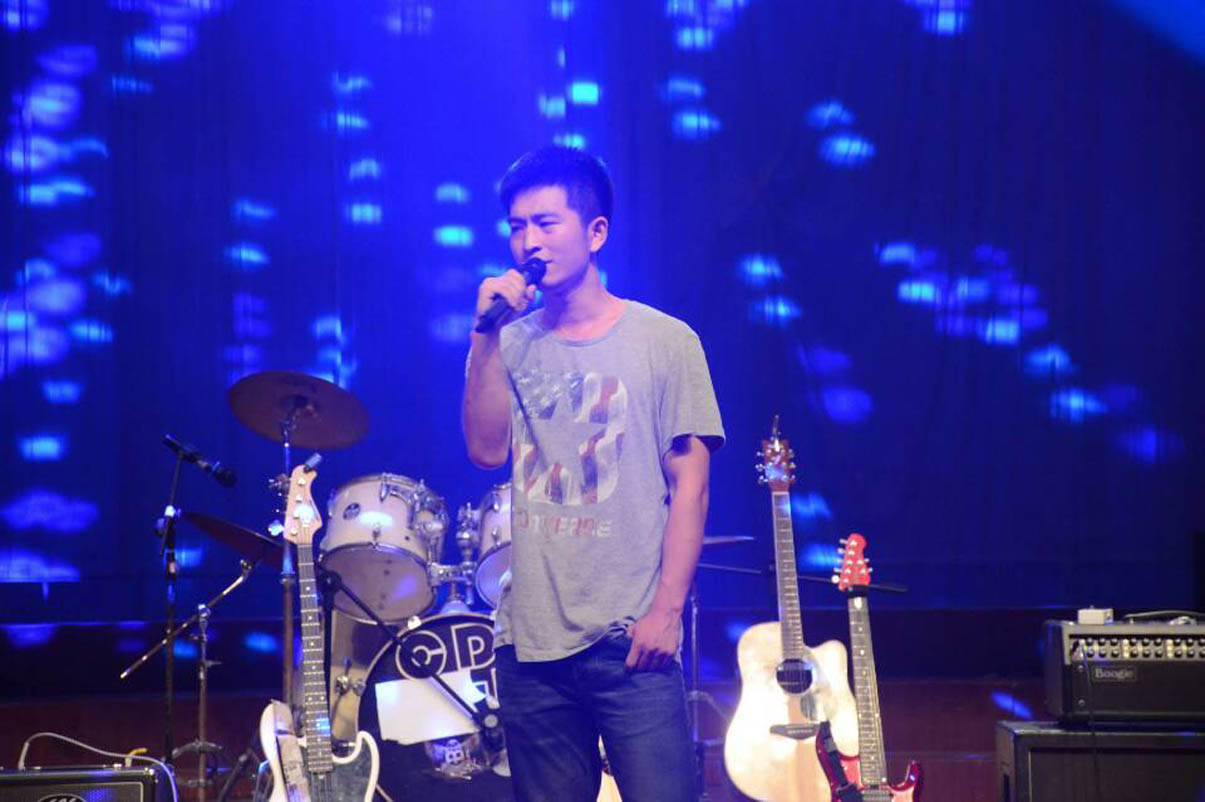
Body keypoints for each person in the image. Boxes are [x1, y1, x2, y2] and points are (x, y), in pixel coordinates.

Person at [462, 145, 724, 802]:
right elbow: (485, 449)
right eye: (517, 227)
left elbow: (690, 489)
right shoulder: (509, 342)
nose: (529, 241)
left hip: (630, 640)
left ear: (596, 232)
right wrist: (484, 335)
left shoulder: (665, 342)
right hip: (529, 645)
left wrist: (666, 612)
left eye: (546, 223)